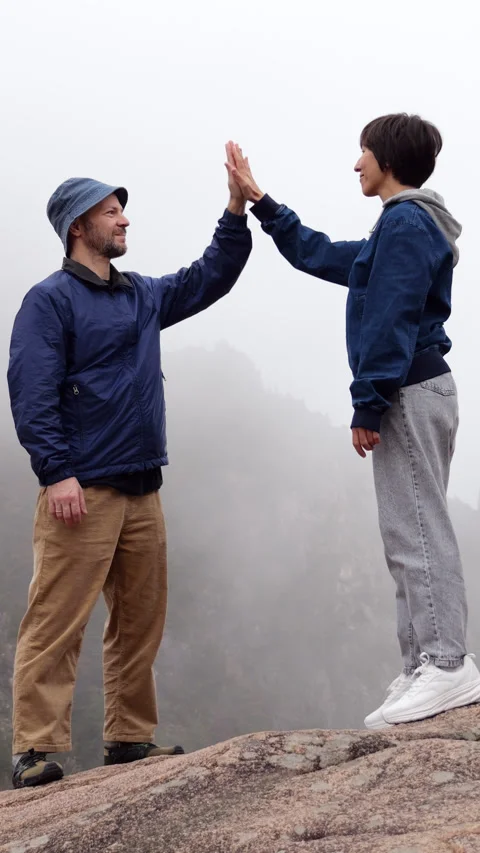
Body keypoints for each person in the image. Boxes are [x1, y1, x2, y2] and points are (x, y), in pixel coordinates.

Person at [7, 143, 252, 788]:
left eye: (122, 210)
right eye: (110, 212)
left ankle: (128, 740)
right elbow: (31, 392)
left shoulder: (141, 295)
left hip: (144, 484)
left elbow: (208, 277)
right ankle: (36, 750)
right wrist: (55, 471)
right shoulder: (49, 301)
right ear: (77, 228)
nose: (123, 220)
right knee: (56, 619)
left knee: (140, 621)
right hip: (80, 488)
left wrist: (235, 207)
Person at [225, 115, 480, 729]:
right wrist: (261, 202)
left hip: (407, 390)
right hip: (415, 388)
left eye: (362, 152)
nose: (356, 163)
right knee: (408, 528)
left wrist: (367, 404)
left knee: (417, 527)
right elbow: (320, 254)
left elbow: (389, 318)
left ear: (386, 158)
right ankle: (424, 661)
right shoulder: (404, 224)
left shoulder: (406, 223)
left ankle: (447, 662)